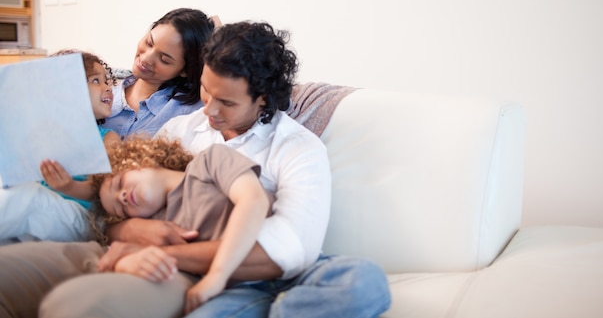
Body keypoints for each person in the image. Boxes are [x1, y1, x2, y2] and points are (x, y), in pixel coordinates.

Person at [37, 21, 391, 318]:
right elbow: (113, 202)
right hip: (212, 278)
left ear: (263, 99)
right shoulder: (181, 131)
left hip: (283, 275)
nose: (210, 110)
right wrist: (133, 230)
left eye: (227, 102)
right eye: (206, 91)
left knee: (364, 281)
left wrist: (164, 253)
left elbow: (290, 250)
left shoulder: (296, 147)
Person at [90, 136, 273, 314]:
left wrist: (217, 275)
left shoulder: (208, 162)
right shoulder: (157, 227)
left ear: (139, 158)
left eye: (120, 183)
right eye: (121, 210)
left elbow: (254, 200)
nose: (121, 197)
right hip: (232, 290)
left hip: (270, 267)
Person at [0, 49, 121, 243]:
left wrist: (70, 186)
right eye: (96, 81)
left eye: (107, 81)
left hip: (81, 215)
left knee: (27, 197)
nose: (108, 88)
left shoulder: (108, 139)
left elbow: (107, 188)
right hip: (41, 212)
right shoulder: (41, 132)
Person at [102, 7, 217, 139]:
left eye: (164, 60)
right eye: (149, 43)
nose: (146, 59)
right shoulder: (101, 86)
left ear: (185, 70)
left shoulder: (189, 112)